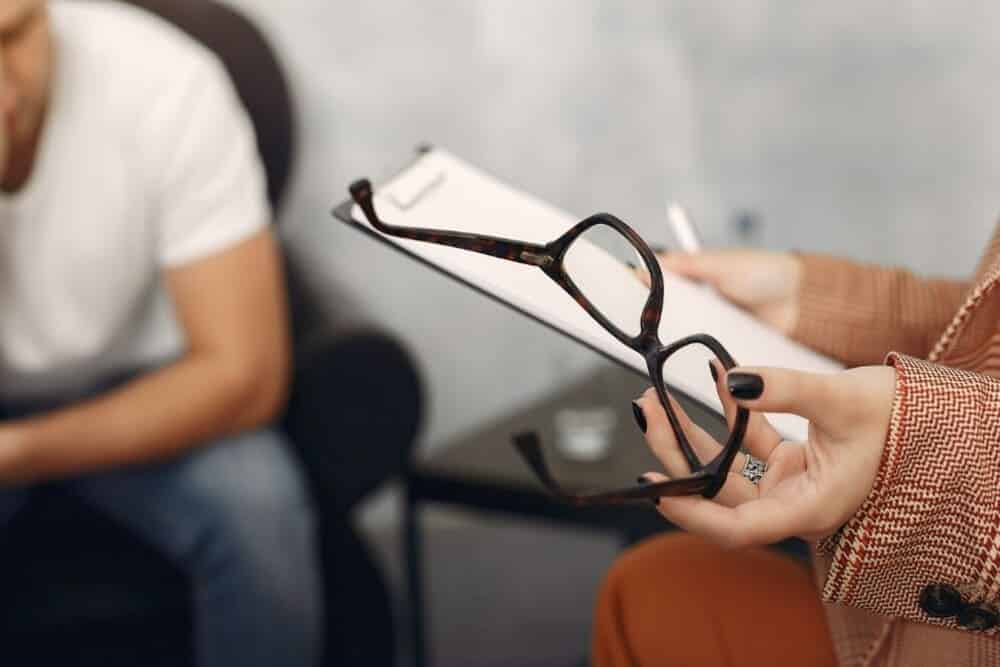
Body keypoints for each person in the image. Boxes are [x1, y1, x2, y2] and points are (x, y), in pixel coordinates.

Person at [0, 2, 320, 666]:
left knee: (262, 513)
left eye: (8, 38)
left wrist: (17, 451)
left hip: (147, 386)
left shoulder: (166, 84)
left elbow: (244, 375)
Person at [592, 239, 1000, 666]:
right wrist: (806, 300)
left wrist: (923, 450)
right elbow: (983, 326)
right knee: (654, 590)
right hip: (899, 622)